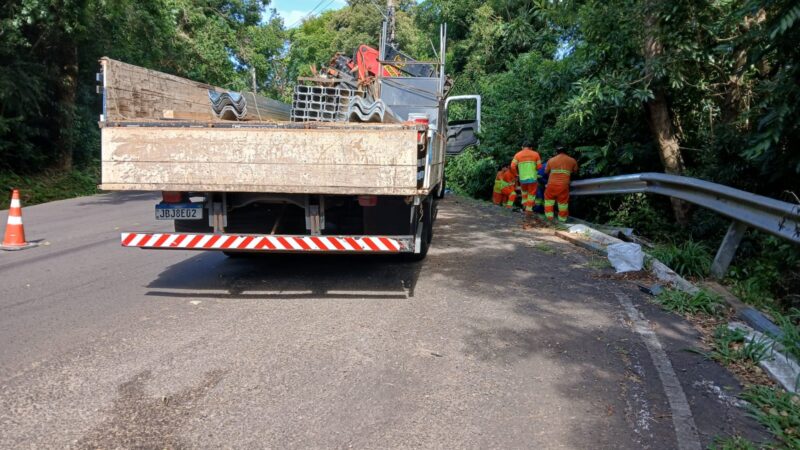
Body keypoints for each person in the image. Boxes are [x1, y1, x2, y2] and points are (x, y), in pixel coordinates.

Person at [544, 146, 579, 223]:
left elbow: (546, 172)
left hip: (551, 184)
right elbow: (575, 171)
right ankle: (562, 219)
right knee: (563, 203)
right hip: (563, 185)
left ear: (556, 152)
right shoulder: (572, 160)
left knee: (549, 201)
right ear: (566, 152)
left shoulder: (551, 160)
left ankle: (549, 218)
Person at [510, 143, 543, 214]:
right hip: (532, 178)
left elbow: (512, 166)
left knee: (524, 193)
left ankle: (524, 207)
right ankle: (529, 210)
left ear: (522, 147)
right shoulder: (536, 154)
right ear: (531, 147)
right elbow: (539, 167)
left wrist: (516, 174)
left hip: (522, 179)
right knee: (531, 194)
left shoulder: (517, 155)